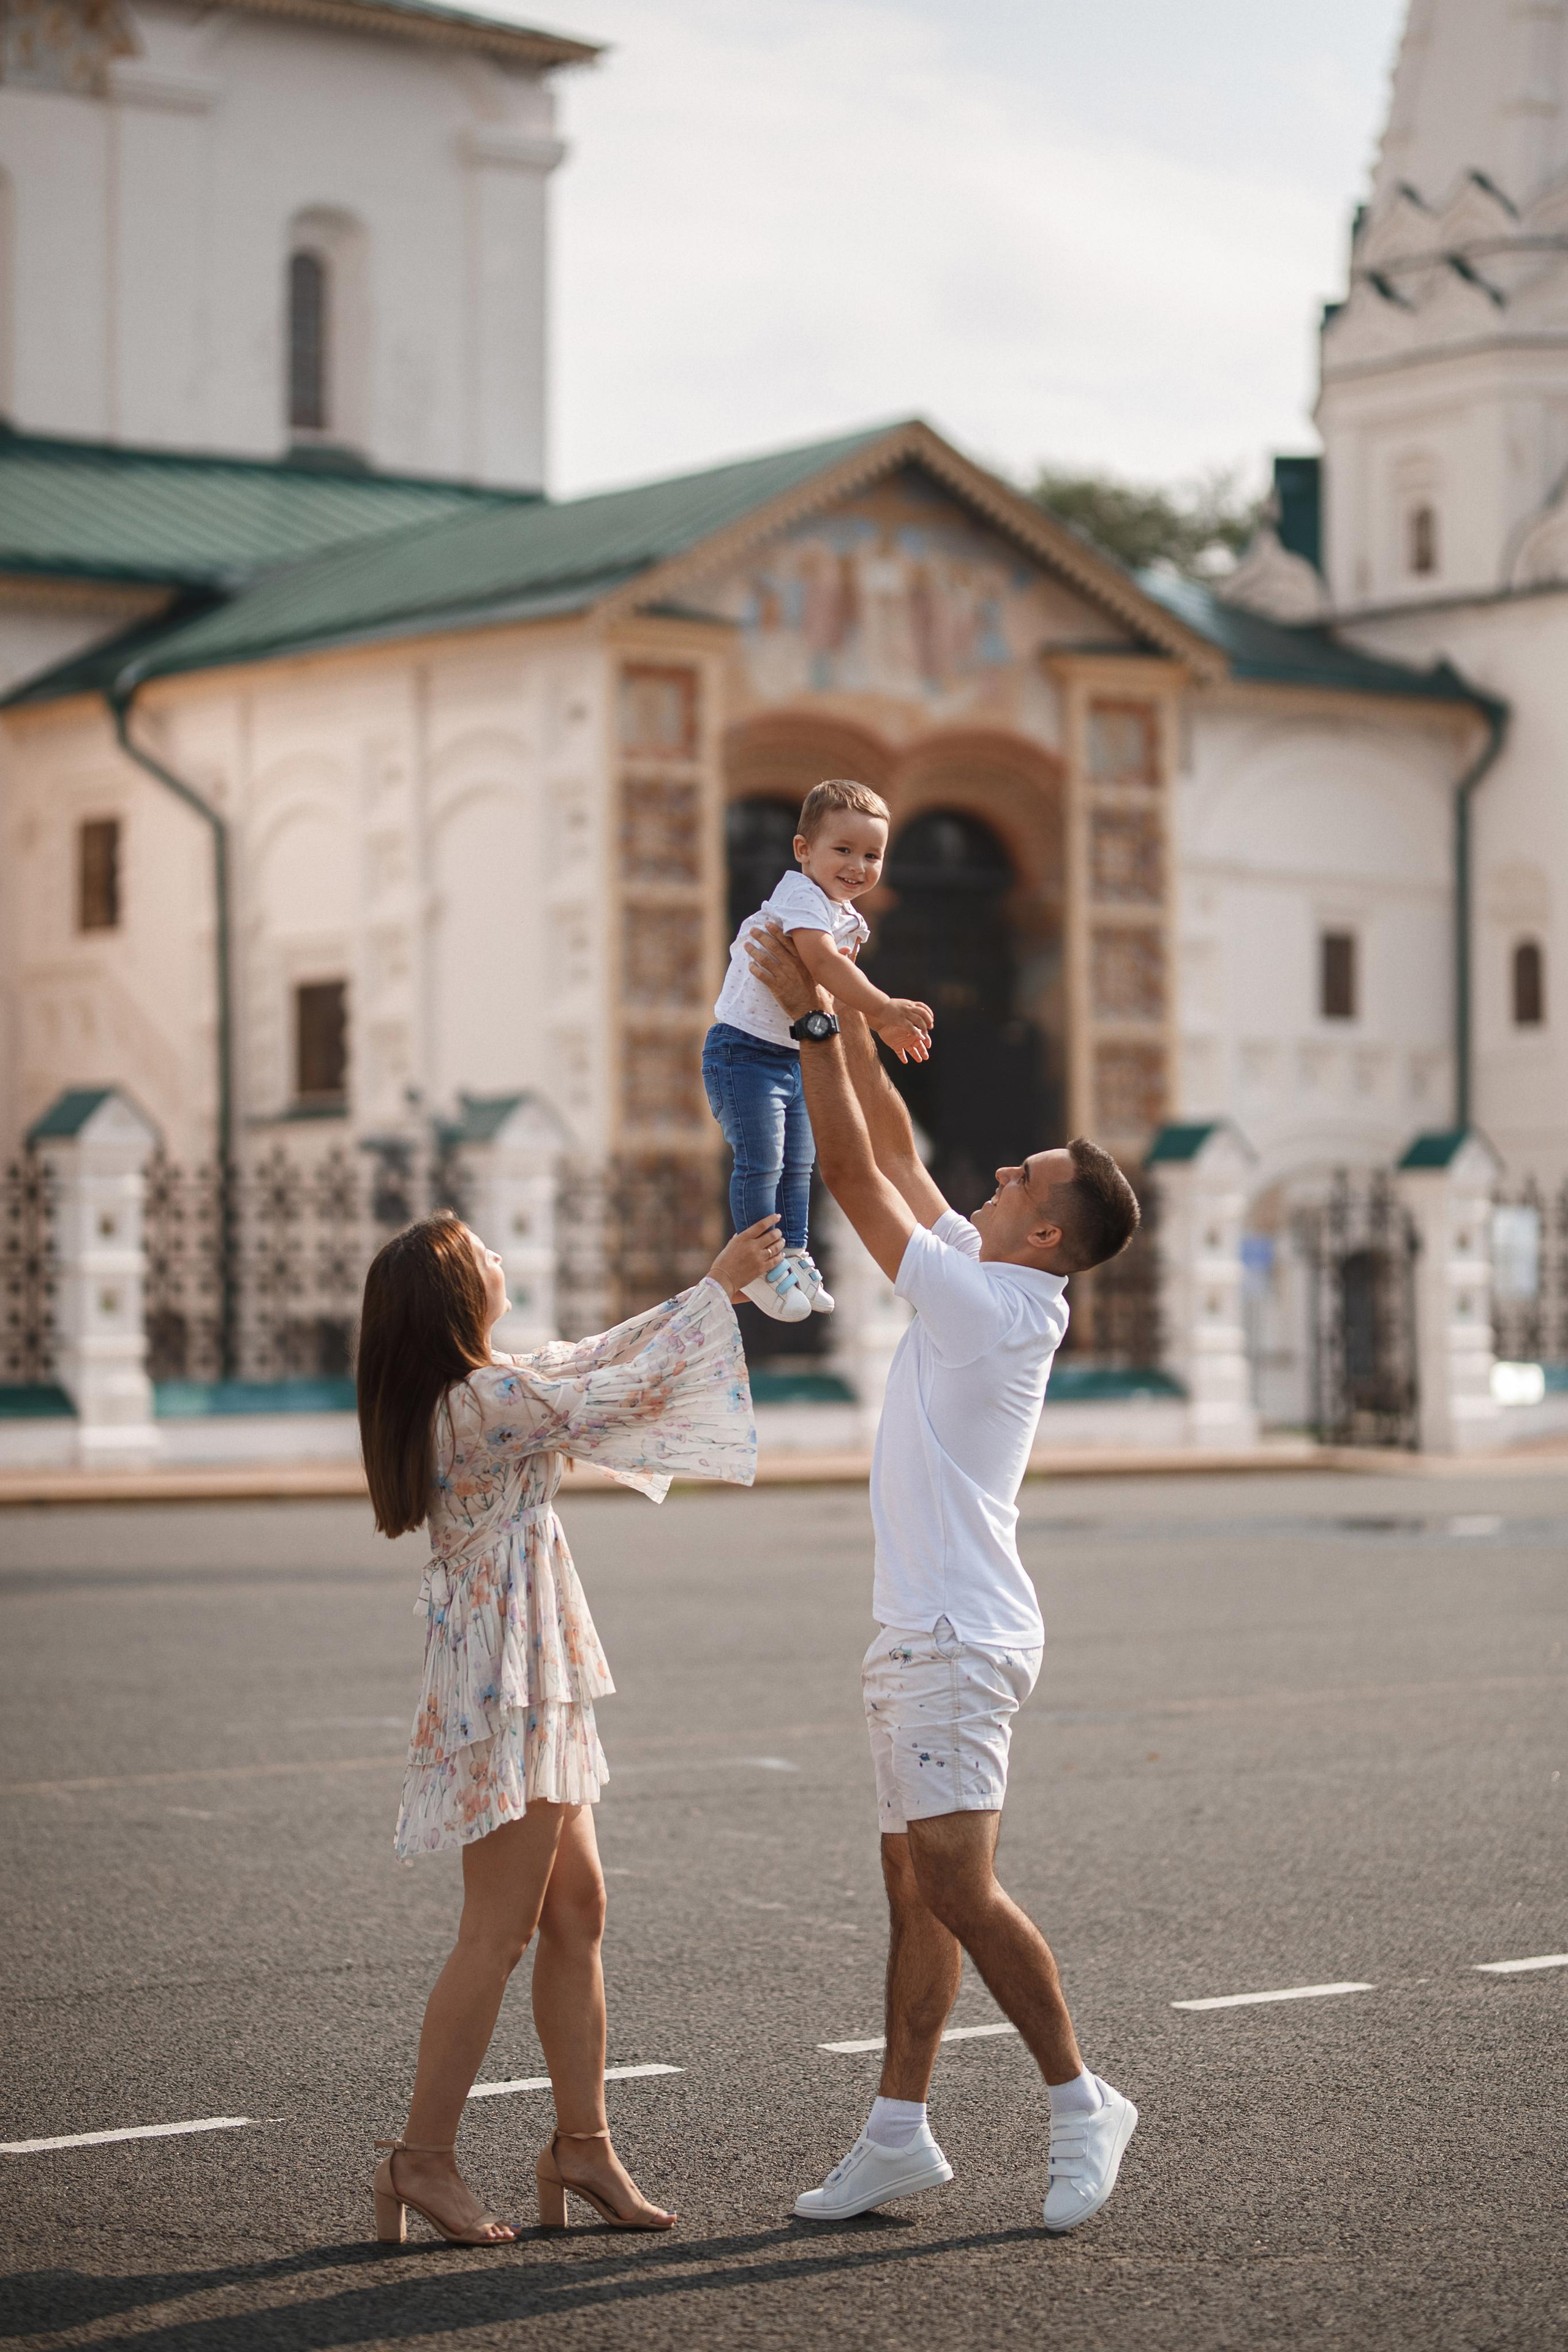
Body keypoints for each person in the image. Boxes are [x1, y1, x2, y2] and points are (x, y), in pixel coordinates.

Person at [745, 921, 1143, 2237]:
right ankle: (898, 2135)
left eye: (1017, 1175)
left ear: (1042, 1234)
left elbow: (858, 1176)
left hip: (956, 1638)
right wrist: (858, 1010)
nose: (988, 1173)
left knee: (957, 1891)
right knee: (914, 1887)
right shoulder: (994, 1272)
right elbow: (905, 1154)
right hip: (923, 1629)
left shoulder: (999, 1304)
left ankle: (1084, 2100)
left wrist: (807, 1019)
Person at [355, 1206, 776, 2247]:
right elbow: (613, 1392)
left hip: (525, 1668)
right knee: (495, 1934)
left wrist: (701, 1290)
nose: (500, 1257)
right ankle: (421, 2159)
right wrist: (716, 1296)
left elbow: (594, 1357)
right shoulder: (480, 1402)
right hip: (506, 1679)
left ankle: (581, 2147)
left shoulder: (486, 1388)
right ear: (453, 1292)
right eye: (480, 1253)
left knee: (578, 1910)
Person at [703, 778, 933, 1323]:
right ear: (803, 851)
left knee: (799, 1163)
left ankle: (795, 1254)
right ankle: (759, 1263)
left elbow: (833, 993)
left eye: (872, 855)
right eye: (844, 850)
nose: (858, 865)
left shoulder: (847, 917)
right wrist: (883, 1011)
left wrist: (875, 1022)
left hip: (791, 1054)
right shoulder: (802, 897)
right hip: (744, 1052)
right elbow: (823, 968)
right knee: (762, 1161)